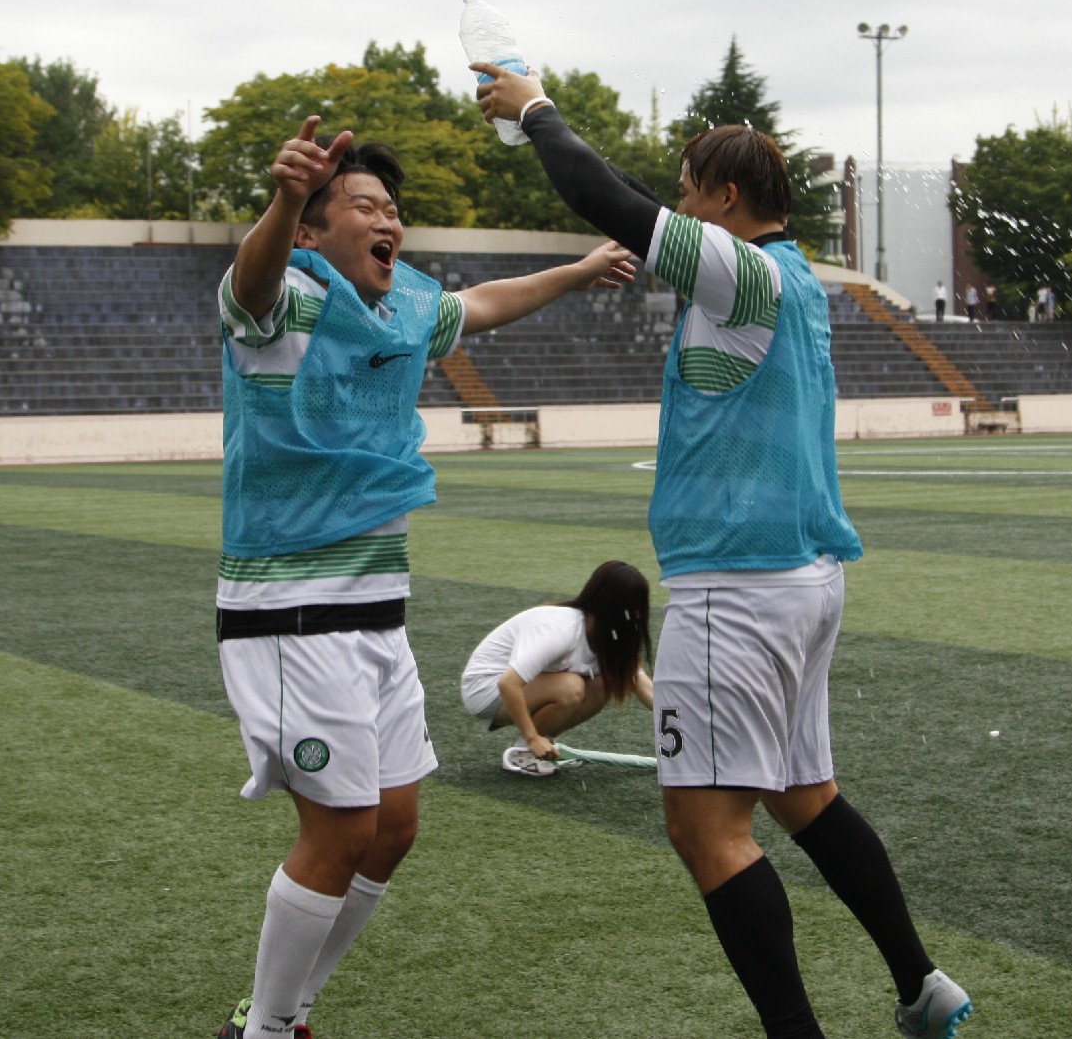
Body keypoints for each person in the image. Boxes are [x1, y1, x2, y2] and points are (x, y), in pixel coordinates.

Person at [476, 63, 974, 1039]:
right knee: (803, 795)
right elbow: (641, 213)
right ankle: (920, 983)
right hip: (804, 578)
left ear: (727, 197)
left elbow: (605, 198)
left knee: (706, 828)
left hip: (736, 588)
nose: (676, 207)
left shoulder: (740, 271)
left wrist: (531, 106)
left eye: (688, 191)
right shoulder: (798, 278)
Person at [214, 119, 632, 1039]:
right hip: (291, 612)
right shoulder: (280, 298)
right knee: (339, 830)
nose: (386, 219)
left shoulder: (403, 304)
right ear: (314, 231)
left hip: (376, 612)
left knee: (393, 827)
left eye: (392, 208)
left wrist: (577, 270)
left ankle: (284, 1010)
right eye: (363, 205)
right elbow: (250, 278)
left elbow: (483, 302)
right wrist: (285, 197)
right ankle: (265, 1030)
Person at [461, 559, 656, 775]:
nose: (637, 616)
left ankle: (541, 748)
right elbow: (508, 683)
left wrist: (680, 721)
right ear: (610, 604)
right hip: (485, 690)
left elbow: (647, 690)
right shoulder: (562, 629)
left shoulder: (611, 637)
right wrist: (532, 738)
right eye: (632, 607)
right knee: (571, 687)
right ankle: (525, 751)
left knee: (604, 683)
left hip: (520, 688)